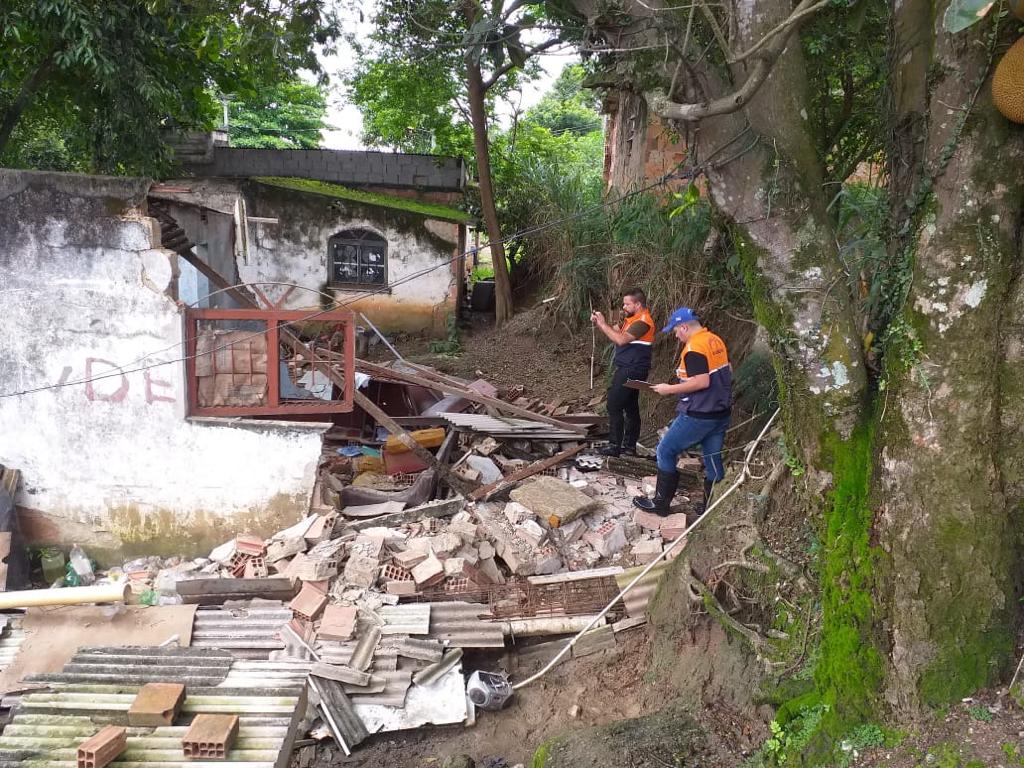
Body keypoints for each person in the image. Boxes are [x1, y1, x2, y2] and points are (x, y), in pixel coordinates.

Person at [633, 307, 732, 517]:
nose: (676, 335)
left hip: (698, 414)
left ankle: (660, 504)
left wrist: (669, 389)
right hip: (720, 412)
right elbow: (728, 370)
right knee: (712, 458)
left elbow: (702, 382)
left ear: (684, 327)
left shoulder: (694, 347)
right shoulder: (714, 340)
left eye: (676, 330)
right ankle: (711, 507)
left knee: (665, 450)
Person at [591, 289, 656, 457]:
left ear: (638, 304)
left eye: (627, 304)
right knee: (630, 407)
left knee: (614, 404)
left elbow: (620, 340)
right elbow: (614, 334)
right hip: (631, 367)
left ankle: (615, 446)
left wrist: (603, 324)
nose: (624, 307)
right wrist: (600, 323)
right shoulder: (631, 320)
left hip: (632, 368)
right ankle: (629, 447)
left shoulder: (643, 322)